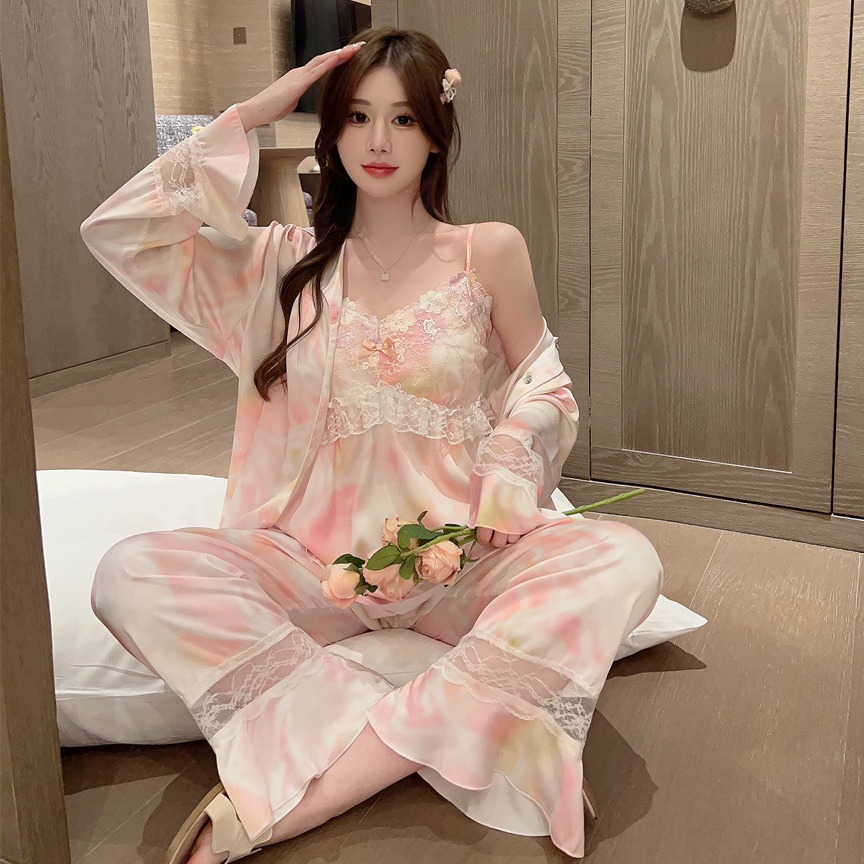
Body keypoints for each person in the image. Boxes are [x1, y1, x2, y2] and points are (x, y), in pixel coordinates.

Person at [80, 26, 663, 864]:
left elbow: (545, 386)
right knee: (127, 573)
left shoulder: (488, 250)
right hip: (313, 568)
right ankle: (470, 728)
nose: (379, 141)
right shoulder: (279, 267)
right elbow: (121, 229)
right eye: (357, 116)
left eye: (403, 118)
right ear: (332, 131)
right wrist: (253, 113)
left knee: (624, 559)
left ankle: (312, 789)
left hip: (460, 564)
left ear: (437, 132)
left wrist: (509, 458)